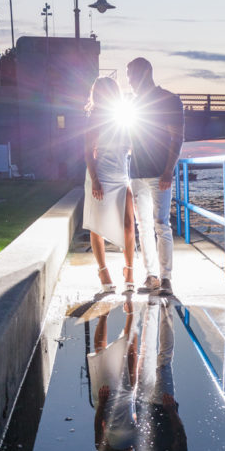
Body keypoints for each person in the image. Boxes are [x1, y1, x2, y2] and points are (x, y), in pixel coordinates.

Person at [126, 57, 184, 296]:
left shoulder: (170, 100)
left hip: (159, 172)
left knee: (161, 224)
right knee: (144, 227)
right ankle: (151, 276)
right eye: (128, 76)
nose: (129, 81)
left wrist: (169, 170)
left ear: (147, 72)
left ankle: (166, 277)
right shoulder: (131, 103)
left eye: (132, 75)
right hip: (137, 173)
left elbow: (177, 137)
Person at [83, 76, 135, 294]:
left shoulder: (124, 117)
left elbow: (132, 148)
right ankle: (103, 271)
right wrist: (95, 179)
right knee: (98, 226)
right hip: (101, 176)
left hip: (122, 176)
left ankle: (130, 270)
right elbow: (87, 152)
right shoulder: (94, 119)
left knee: (129, 225)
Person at [135, 300, 187, 451]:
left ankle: (151, 307)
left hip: (143, 403)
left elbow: (139, 427)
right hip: (163, 405)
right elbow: (180, 438)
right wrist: (172, 411)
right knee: (163, 361)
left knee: (146, 355)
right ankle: (166, 309)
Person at [87, 304, 139, 451]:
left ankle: (104, 314)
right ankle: (131, 311)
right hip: (126, 401)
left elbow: (97, 427)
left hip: (107, 403)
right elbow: (136, 421)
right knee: (129, 354)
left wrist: (101, 403)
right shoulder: (132, 449)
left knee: (101, 355)